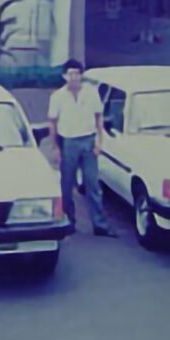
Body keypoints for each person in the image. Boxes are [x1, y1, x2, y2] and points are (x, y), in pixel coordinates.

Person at [48, 59, 117, 237]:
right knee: (67, 184)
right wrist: (55, 147)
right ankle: (69, 221)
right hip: (68, 142)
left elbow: (98, 117)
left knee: (93, 184)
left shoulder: (91, 93)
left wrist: (99, 141)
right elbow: (53, 123)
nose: (74, 77)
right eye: (70, 73)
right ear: (64, 76)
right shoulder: (57, 97)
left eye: (77, 73)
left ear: (81, 75)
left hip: (88, 140)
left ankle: (100, 225)